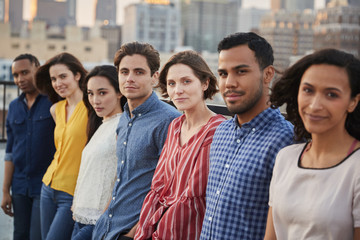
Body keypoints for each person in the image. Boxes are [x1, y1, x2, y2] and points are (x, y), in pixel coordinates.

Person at [199, 32, 294, 240]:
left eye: (241, 71)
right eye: (223, 74)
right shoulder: (222, 132)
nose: (229, 83)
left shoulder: (286, 141)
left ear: (268, 74)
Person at [264, 49, 360, 240]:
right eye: (308, 90)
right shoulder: (286, 157)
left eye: (331, 95)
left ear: (353, 102)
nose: (315, 105)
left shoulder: (356, 168)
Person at [92, 42, 180, 240]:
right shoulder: (124, 117)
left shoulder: (169, 120)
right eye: (124, 72)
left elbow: (171, 188)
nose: (129, 79)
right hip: (107, 227)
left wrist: (134, 232)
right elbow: (122, 175)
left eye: (139, 72)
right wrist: (103, 218)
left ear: (155, 77)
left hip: (134, 232)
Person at [134, 51, 226, 240]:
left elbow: (194, 195)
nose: (178, 90)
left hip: (190, 231)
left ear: (205, 83)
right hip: (156, 228)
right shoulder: (176, 125)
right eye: (172, 83)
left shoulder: (218, 129)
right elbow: (159, 187)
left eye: (186, 81)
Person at [1, 54, 55, 240]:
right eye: (16, 75)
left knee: (37, 236)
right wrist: (5, 191)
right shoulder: (14, 107)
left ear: (37, 69)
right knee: (20, 234)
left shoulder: (54, 103)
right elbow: (10, 152)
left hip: (46, 185)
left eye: (25, 72)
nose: (20, 79)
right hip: (19, 186)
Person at [35, 52, 88, 240]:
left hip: (73, 193)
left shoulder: (92, 109)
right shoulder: (55, 109)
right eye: (54, 79)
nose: (58, 83)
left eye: (63, 76)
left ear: (77, 75)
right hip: (48, 187)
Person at [71, 65, 127, 240]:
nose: (95, 100)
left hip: (99, 219)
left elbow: (123, 176)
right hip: (80, 214)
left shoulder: (123, 125)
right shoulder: (101, 124)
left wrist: (105, 216)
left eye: (102, 93)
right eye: (90, 93)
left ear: (119, 92)